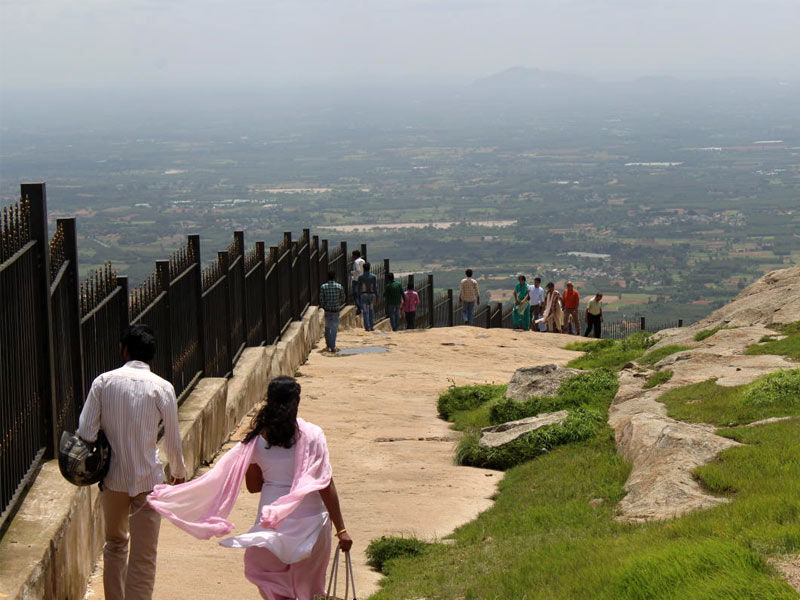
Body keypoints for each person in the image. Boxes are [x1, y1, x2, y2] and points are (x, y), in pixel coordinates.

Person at [148, 376, 352, 600]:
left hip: (271, 524)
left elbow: (254, 486)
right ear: (297, 401)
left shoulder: (256, 441)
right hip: (311, 523)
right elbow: (325, 483)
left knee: (274, 586)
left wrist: (274, 475)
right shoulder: (314, 435)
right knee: (307, 589)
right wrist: (341, 529)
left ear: (269, 401)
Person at [77, 324, 186, 600]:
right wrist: (179, 473)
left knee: (114, 544)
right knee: (144, 554)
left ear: (124, 350)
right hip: (149, 479)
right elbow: (173, 439)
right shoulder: (163, 388)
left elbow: (86, 432)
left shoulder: (103, 382)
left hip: (113, 479)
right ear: (151, 355)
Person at [319, 270, 346, 352]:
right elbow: (343, 298)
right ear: (335, 277)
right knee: (334, 328)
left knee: (327, 328)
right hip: (336, 310)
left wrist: (324, 305)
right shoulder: (339, 286)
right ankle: (333, 346)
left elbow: (321, 299)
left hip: (327, 310)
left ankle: (328, 344)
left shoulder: (323, 287)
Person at [357, 262, 378, 331]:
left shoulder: (360, 277)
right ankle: (372, 326)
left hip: (364, 295)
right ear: (369, 268)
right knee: (371, 310)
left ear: (363, 268)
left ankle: (367, 327)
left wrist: (359, 296)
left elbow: (359, 288)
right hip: (371, 295)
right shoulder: (373, 277)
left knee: (365, 311)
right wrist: (377, 296)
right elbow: (375, 287)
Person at [350, 250, 365, 315]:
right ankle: (361, 307)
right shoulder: (363, 261)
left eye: (353, 255)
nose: (352, 256)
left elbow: (358, 270)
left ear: (355, 255)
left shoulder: (356, 262)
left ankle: (359, 308)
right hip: (362, 279)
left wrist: (352, 272)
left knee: (355, 294)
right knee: (360, 294)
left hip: (356, 279)